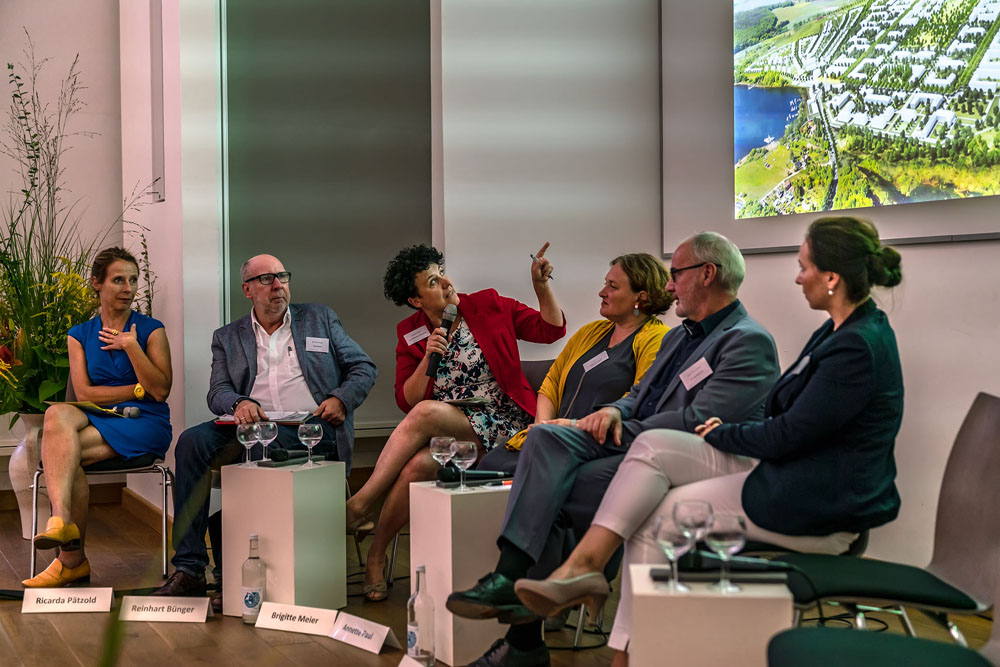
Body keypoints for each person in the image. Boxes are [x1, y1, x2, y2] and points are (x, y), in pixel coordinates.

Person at [513, 216, 904, 667]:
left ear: (832, 277)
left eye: (804, 266)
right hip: (790, 484)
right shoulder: (838, 332)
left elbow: (789, 434)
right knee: (649, 490)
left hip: (823, 507)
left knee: (652, 477)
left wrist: (719, 432)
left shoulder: (855, 344)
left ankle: (600, 604)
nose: (798, 276)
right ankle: (619, 641)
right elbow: (785, 425)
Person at [449, 232, 781, 667]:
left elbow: (699, 421)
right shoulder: (683, 338)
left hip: (689, 458)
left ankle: (524, 639)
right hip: (637, 443)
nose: (669, 286)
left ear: (707, 274)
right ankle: (512, 586)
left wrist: (622, 421)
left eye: (675, 275)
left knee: (551, 486)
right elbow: (640, 392)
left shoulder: (746, 340)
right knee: (545, 439)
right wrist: (615, 409)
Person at [346, 243, 565, 601]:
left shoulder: (488, 304)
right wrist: (426, 357)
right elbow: (407, 399)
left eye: (442, 272)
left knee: (427, 413)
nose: (446, 283)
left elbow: (550, 331)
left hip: (503, 419)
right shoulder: (411, 331)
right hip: (456, 430)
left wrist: (542, 287)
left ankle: (360, 505)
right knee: (416, 465)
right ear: (416, 300)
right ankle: (375, 556)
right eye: (433, 281)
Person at [152, 254, 376, 602]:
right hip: (250, 424)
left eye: (282, 276)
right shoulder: (227, 336)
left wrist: (341, 399)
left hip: (309, 428)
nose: (278, 285)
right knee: (191, 442)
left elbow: (363, 366)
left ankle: (240, 566)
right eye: (266, 279)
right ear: (247, 290)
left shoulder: (319, 318)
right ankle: (189, 567)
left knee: (264, 447)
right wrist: (238, 403)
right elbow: (218, 391)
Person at [24, 247, 173, 588]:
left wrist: (131, 347)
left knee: (62, 456)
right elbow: (85, 394)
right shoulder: (79, 334)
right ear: (97, 284)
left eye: (133, 280)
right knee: (57, 413)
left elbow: (160, 390)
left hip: (145, 423)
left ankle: (70, 561)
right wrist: (136, 389)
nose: (128, 288)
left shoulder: (151, 330)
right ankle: (63, 524)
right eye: (118, 280)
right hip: (97, 417)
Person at [477, 253, 673, 475]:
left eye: (613, 286)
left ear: (642, 298)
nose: (602, 292)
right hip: (551, 438)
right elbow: (551, 383)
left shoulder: (656, 338)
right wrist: (542, 429)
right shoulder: (591, 332)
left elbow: (641, 401)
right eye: (604, 284)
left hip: (589, 443)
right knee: (488, 466)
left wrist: (567, 429)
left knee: (518, 473)